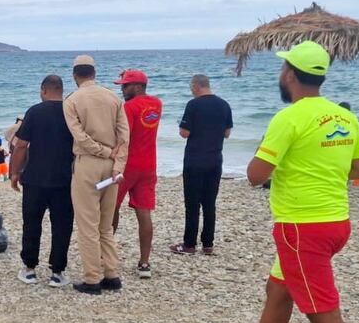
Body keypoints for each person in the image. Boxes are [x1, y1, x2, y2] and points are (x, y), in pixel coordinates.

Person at [216, 41, 359, 323]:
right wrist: (320, 167)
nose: (281, 75)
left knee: (325, 315)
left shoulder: (288, 118)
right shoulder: (343, 116)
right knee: (279, 289)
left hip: (301, 229)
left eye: (282, 70)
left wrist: (281, 160)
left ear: (289, 74)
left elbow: (255, 175)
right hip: (336, 222)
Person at [63, 55, 129, 295]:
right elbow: (124, 136)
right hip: (112, 166)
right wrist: (118, 163)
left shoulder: (72, 100)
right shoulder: (113, 97)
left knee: (87, 224)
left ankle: (92, 279)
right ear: (94, 73)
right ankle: (111, 274)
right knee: (105, 224)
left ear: (75, 75)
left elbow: (80, 137)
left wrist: (103, 151)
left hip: (88, 164)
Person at [11, 75, 75, 287]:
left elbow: (21, 145)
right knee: (62, 226)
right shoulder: (71, 111)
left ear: (44, 90)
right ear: (61, 90)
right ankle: (57, 272)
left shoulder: (35, 112)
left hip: (35, 178)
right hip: (64, 179)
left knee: (32, 224)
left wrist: (14, 172)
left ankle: (29, 269)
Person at [172, 74, 232, 255]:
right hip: (215, 159)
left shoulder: (193, 105)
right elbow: (227, 133)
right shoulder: (224, 105)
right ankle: (208, 244)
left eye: (191, 86)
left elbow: (184, 133)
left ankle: (189, 244)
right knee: (209, 203)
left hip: (195, 160)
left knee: (192, 204)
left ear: (196, 86)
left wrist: (181, 125)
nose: (191, 90)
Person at [112, 70, 161, 278]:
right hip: (149, 165)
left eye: (126, 85)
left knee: (112, 207)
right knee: (144, 211)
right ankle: (144, 263)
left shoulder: (129, 107)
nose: (122, 89)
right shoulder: (156, 104)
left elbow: (124, 137)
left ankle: (106, 255)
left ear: (138, 86)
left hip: (128, 165)